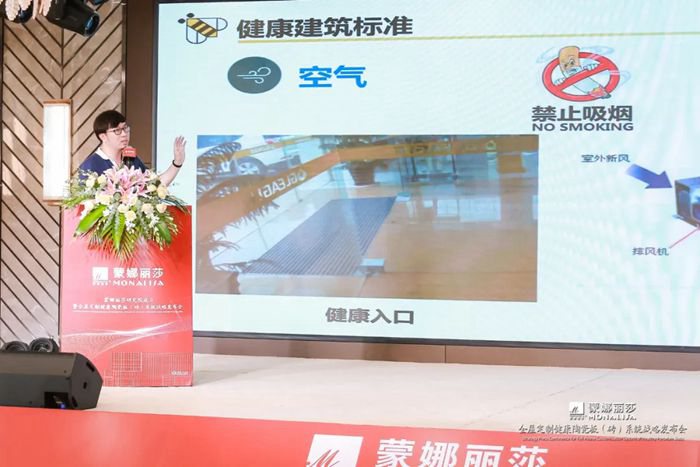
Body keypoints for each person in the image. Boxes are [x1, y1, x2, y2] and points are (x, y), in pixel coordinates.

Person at [78, 110, 186, 186]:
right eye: (117, 130)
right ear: (103, 137)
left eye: (125, 128)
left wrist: (177, 162)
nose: (124, 134)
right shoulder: (90, 166)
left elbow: (154, 186)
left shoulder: (130, 159)